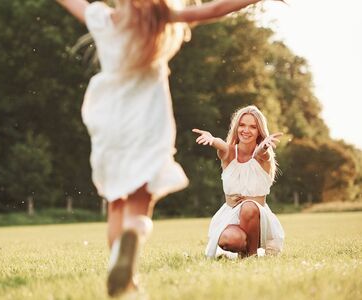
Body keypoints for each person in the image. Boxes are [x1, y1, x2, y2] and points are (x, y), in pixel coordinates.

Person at [55, 0, 280, 296]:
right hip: (148, 125)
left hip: (108, 122)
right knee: (138, 205)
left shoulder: (104, 19)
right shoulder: (160, 20)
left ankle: (120, 270)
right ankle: (135, 235)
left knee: (116, 203)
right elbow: (213, 9)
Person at [193, 105, 285, 259]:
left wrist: (263, 147)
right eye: (242, 125)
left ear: (259, 131)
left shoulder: (263, 156)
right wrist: (213, 140)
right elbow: (223, 146)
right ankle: (244, 251)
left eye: (253, 127)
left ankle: (251, 255)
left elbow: (260, 153)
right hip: (231, 214)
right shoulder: (229, 153)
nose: (246, 130)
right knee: (230, 240)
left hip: (258, 216)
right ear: (236, 127)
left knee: (248, 207)